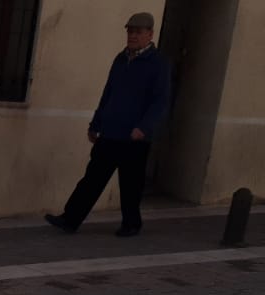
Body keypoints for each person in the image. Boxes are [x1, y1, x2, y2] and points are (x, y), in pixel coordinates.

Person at [45, 12, 172, 237]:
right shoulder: (120, 59)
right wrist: (96, 123)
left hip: (135, 136)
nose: (132, 36)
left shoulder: (158, 64)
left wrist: (144, 127)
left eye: (137, 32)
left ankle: (131, 224)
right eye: (130, 31)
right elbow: (108, 94)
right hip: (111, 131)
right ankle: (70, 219)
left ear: (150, 34)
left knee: (131, 184)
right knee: (92, 179)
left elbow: (160, 101)